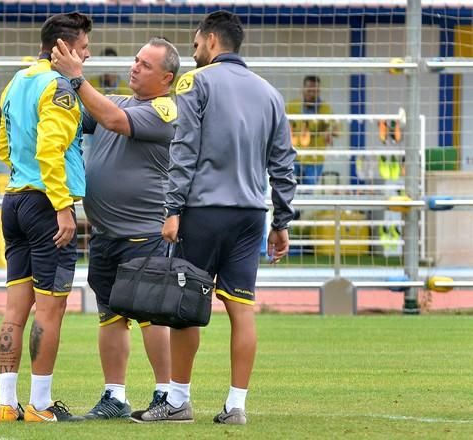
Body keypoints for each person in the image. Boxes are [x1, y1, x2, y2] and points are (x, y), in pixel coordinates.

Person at [131, 11, 296, 425]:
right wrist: (281, 222)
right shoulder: (270, 94)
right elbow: (283, 164)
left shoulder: (195, 82)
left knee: (185, 305)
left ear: (210, 41)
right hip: (250, 215)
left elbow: (184, 149)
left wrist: (171, 209)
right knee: (242, 308)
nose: (194, 48)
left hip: (203, 211)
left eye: (196, 42)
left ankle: (178, 400)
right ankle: (236, 406)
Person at [51, 37, 179, 419]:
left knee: (151, 316)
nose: (134, 67)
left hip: (145, 234)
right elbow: (82, 111)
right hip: (105, 236)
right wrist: (49, 74)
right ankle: (114, 397)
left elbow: (110, 119)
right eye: (136, 60)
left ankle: (166, 396)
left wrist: (76, 77)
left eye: (146, 64)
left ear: (167, 78)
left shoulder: (167, 109)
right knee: (109, 315)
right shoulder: (118, 103)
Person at [0, 12, 92, 423]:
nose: (86, 56)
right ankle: (40, 404)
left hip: (14, 200)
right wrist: (62, 204)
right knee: (50, 311)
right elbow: (50, 151)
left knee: (14, 312)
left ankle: (6, 403)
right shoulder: (60, 87)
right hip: (46, 205)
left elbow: (5, 145)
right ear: (64, 48)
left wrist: (25, 175)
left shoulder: (16, 82)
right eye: (83, 49)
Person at [286, 75, 340, 185]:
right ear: (302, 90)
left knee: (308, 191)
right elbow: (282, 125)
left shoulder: (326, 108)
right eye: (309, 90)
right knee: (290, 189)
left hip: (315, 159)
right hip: (294, 157)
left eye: (315, 91)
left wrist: (329, 131)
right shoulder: (292, 106)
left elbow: (337, 128)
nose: (312, 94)